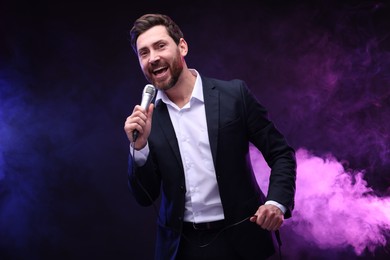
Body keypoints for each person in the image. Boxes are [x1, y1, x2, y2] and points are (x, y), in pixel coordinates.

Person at [124, 13, 296, 260]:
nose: (153, 58)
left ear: (182, 46)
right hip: (182, 247)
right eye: (144, 53)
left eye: (161, 46)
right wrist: (139, 149)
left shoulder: (234, 95)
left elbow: (281, 154)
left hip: (243, 238)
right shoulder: (146, 118)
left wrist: (276, 203)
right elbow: (145, 197)